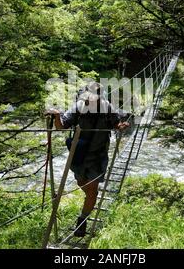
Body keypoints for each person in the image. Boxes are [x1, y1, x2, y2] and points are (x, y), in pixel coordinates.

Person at [46, 82, 130, 237]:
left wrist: (121, 126)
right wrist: (57, 115)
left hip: (97, 157)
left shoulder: (108, 108)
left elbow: (116, 124)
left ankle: (82, 220)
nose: (88, 100)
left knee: (91, 190)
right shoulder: (78, 107)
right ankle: (91, 198)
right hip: (79, 156)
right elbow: (61, 126)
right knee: (81, 184)